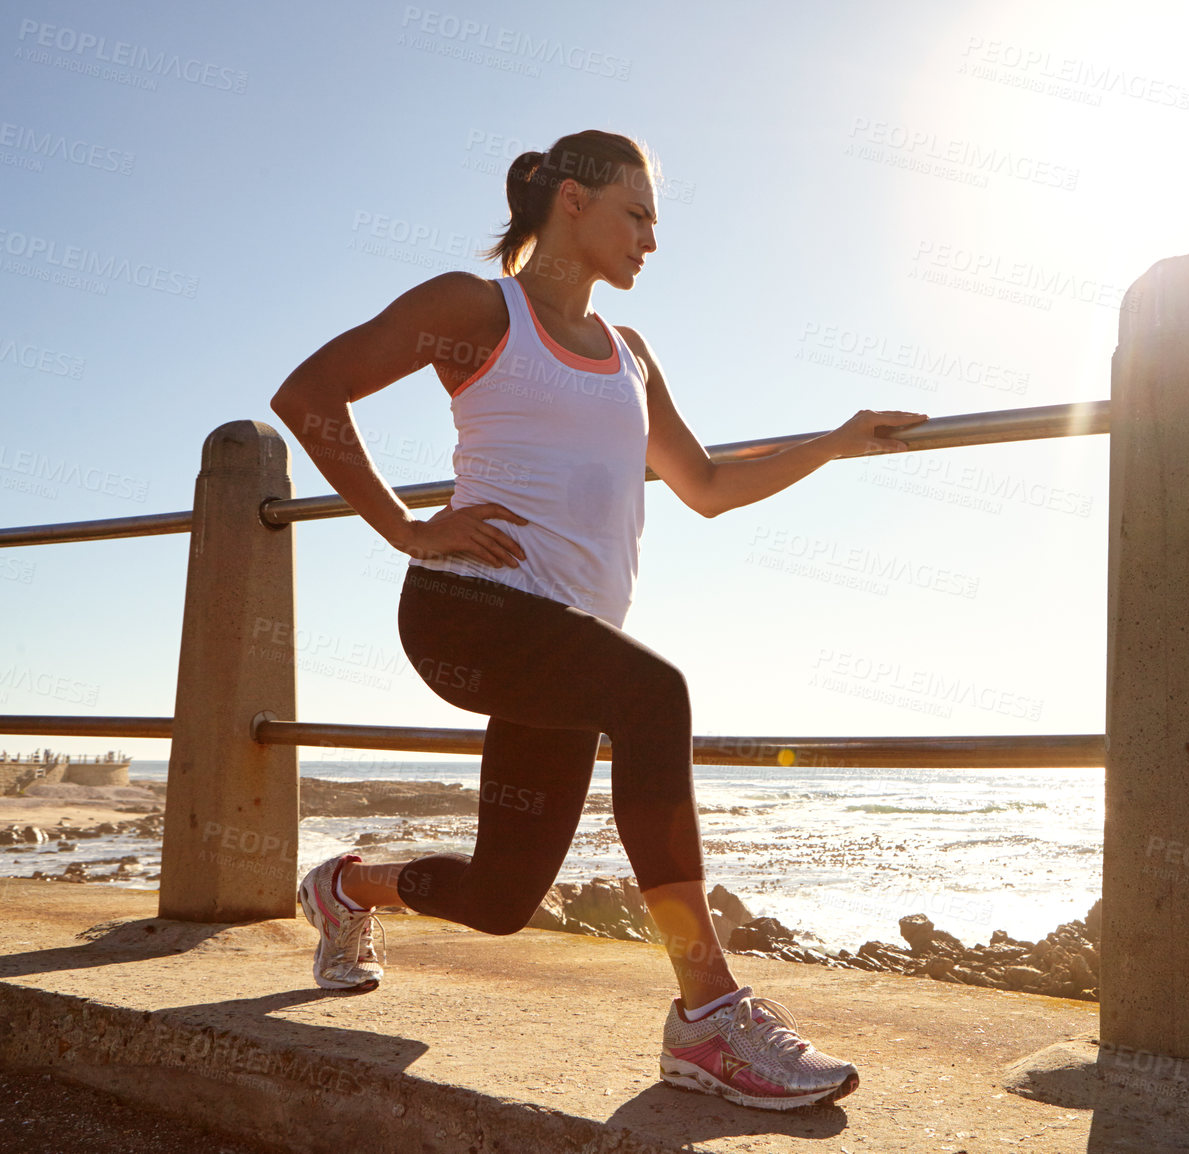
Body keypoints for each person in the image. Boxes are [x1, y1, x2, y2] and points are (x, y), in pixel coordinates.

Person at [270, 129, 925, 1112]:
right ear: (571, 201)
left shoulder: (631, 354)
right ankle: (708, 1016)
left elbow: (702, 484)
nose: (653, 240)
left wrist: (831, 443)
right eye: (639, 213)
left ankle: (349, 888)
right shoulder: (477, 310)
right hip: (466, 614)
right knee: (654, 694)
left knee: (500, 898)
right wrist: (406, 525)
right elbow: (308, 393)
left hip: (561, 643)